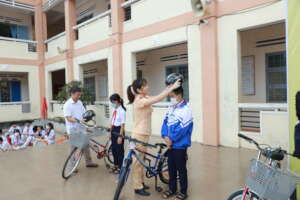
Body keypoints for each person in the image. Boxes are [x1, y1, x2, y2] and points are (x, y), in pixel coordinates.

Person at [127, 78, 181, 196]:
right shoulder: (139, 101)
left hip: (144, 134)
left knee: (141, 160)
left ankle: (141, 182)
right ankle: (137, 187)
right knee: (137, 162)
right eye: (145, 86)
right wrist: (171, 88)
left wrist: (169, 86)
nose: (148, 87)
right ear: (139, 90)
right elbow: (159, 98)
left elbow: (157, 96)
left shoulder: (144, 98)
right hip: (139, 135)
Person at [161, 87, 193, 200]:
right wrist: (164, 136)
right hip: (170, 145)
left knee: (181, 169)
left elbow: (183, 129)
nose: (171, 98)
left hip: (179, 146)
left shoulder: (186, 109)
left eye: (172, 96)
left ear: (179, 95)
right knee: (171, 168)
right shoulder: (171, 108)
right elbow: (164, 122)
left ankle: (183, 192)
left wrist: (171, 139)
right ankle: (172, 189)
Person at [63, 86, 98, 168]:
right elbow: (68, 118)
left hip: (82, 128)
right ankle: (72, 166)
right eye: (77, 95)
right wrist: (78, 121)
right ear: (72, 94)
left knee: (86, 145)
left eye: (80, 95)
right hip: (73, 129)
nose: (79, 96)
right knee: (73, 148)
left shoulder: (79, 102)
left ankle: (89, 162)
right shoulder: (67, 105)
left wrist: (87, 117)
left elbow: (83, 113)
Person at [109, 93, 126, 174]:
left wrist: (120, 136)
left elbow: (122, 125)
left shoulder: (122, 111)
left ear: (118, 101)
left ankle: (120, 167)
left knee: (119, 150)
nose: (112, 104)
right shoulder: (115, 110)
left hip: (119, 130)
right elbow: (112, 121)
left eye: (113, 102)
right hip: (113, 130)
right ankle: (115, 165)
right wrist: (110, 132)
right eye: (111, 102)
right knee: (114, 149)